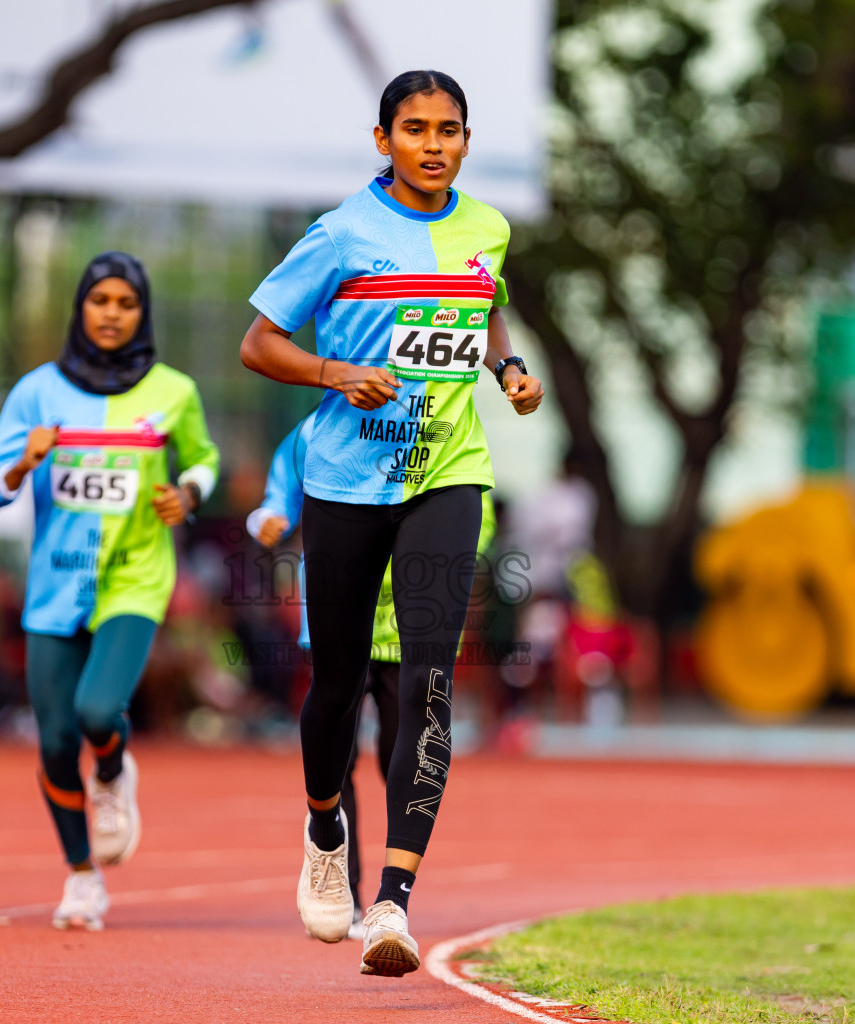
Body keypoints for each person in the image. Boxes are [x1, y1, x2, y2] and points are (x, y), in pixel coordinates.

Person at [239, 69, 544, 975]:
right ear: (384, 141)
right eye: (415, 129)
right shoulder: (339, 235)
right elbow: (258, 344)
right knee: (336, 686)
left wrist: (509, 368)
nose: (434, 144)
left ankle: (394, 904)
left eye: (449, 129)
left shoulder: (486, 226)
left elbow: (483, 307)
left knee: (429, 682)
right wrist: (335, 374)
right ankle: (326, 828)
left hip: (447, 476)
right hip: (344, 481)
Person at [0, 252, 219, 932]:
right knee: (55, 741)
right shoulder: (36, 392)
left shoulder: (173, 391)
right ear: (80, 308)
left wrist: (189, 492)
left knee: (94, 711)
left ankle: (113, 770)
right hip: (57, 582)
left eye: (126, 303)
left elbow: (202, 458)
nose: (112, 313)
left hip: (135, 580)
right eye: (100, 301)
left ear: (143, 313)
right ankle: (82, 876)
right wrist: (25, 460)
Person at [247, 414, 496, 938]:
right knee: (338, 742)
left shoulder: (447, 432)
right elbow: (277, 499)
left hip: (404, 630)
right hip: (341, 618)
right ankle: (346, 886)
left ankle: (393, 900)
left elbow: (478, 524)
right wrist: (267, 519)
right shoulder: (312, 435)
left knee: (396, 751)